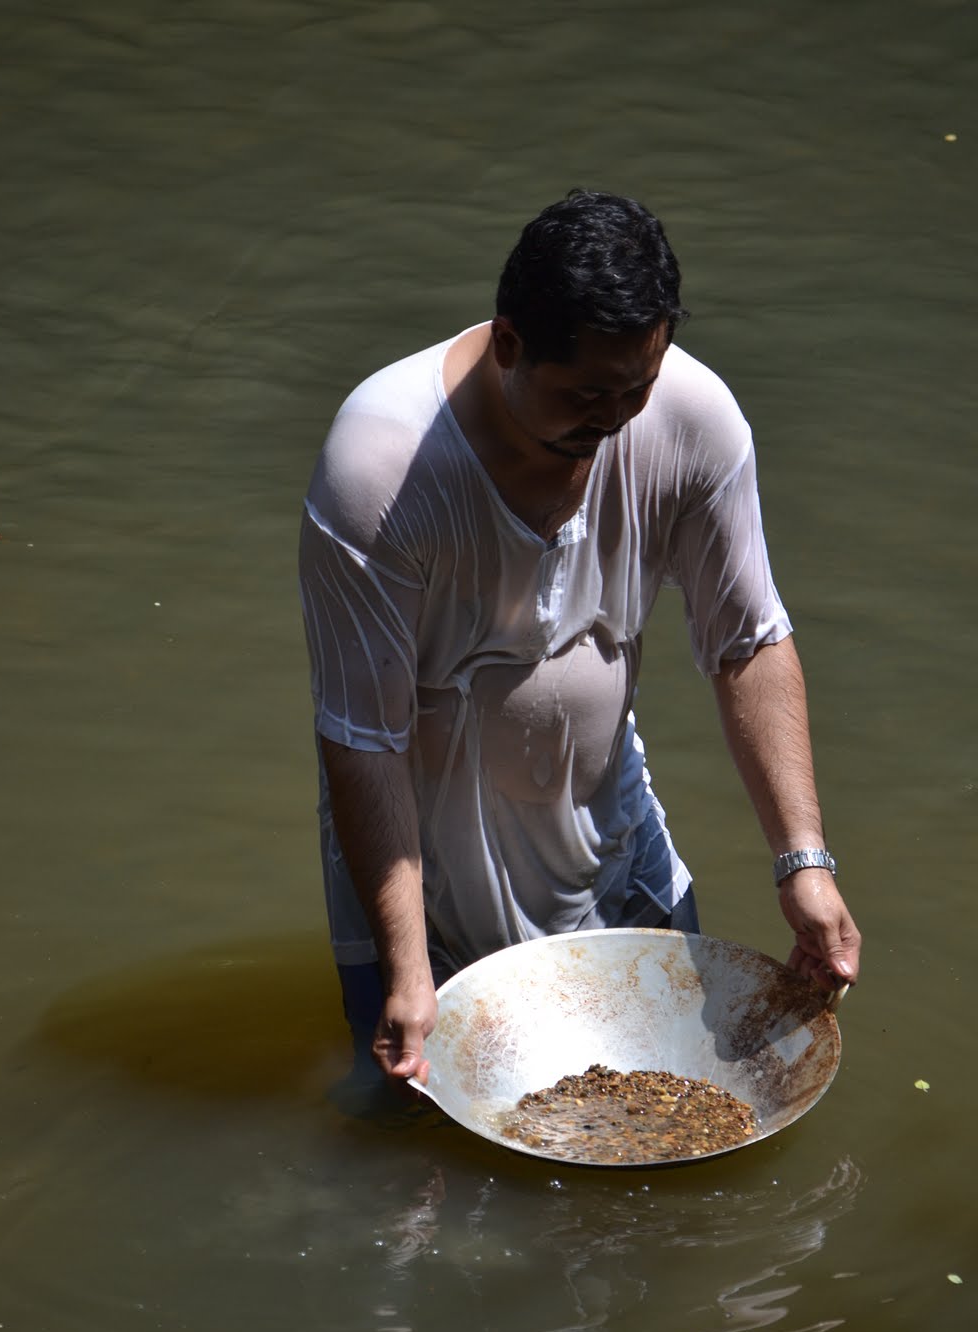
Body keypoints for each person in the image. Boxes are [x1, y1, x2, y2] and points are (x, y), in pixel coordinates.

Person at [299, 190, 861, 1087]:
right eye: (586, 394)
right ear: (508, 344)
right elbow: (364, 736)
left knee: (682, 1087)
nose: (614, 418)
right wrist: (405, 966)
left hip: (608, 834)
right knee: (407, 1122)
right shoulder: (383, 469)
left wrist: (803, 861)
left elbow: (747, 642)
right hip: (424, 871)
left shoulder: (691, 419)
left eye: (636, 387)